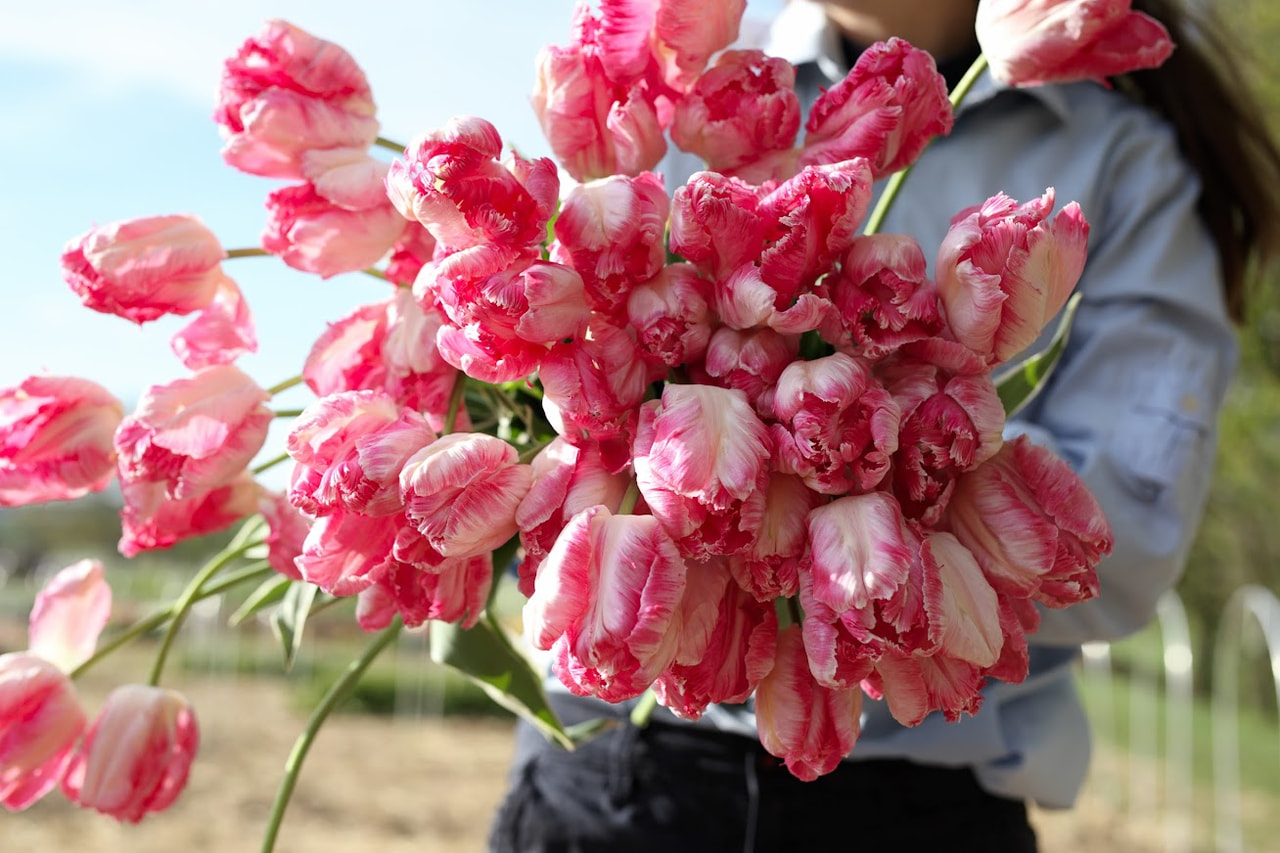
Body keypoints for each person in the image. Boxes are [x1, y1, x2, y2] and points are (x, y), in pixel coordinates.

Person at [489, 1, 1280, 850]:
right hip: (610, 781)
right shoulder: (688, 79)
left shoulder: (1123, 161)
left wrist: (783, 511)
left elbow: (1126, 533)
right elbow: (556, 356)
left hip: (916, 814)